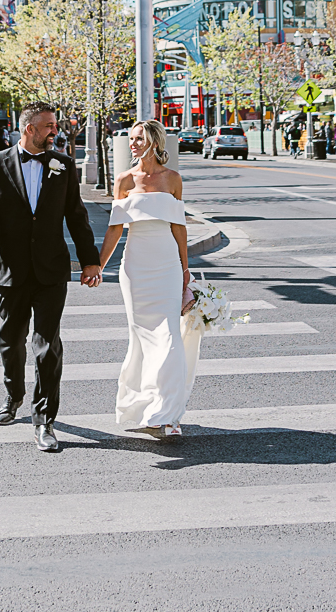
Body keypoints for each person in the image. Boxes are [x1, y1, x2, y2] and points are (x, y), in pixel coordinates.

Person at [0, 102, 102, 453]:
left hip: (51, 269)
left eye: (54, 125)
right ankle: (13, 394)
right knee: (11, 341)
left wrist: (91, 261)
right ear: (29, 129)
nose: (53, 131)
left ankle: (44, 419)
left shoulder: (64, 165)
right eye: (48, 126)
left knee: (47, 347)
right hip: (9, 270)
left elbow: (77, 216)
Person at [99, 120, 198, 437]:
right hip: (136, 266)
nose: (133, 143)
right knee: (142, 338)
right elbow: (115, 228)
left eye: (138, 138)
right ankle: (145, 407)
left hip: (167, 264)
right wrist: (98, 267)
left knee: (168, 337)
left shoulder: (173, 179)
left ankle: (167, 414)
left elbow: (179, 227)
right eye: (131, 139)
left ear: (155, 141)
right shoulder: (124, 180)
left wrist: (185, 270)